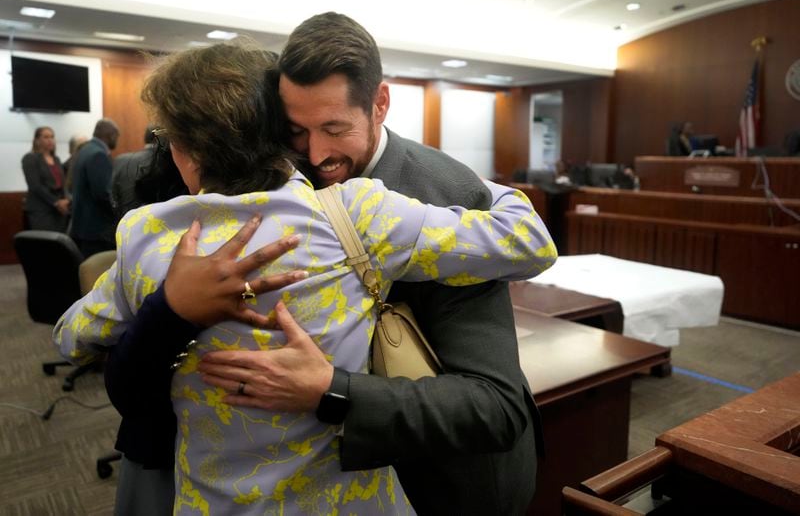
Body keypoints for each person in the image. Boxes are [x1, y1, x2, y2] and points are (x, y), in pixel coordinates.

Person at [54, 42, 557, 514]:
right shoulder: (357, 213)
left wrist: (165, 306)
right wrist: (482, 186)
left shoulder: (147, 236)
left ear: (184, 149)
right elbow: (531, 245)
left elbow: (71, 339)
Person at [69, 119, 120, 257]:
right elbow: (103, 193)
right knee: (98, 273)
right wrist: (120, 213)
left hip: (83, 225)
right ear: (110, 135)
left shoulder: (85, 149)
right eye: (117, 136)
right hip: (97, 229)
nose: (117, 141)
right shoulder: (98, 155)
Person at [21, 126, 70, 232]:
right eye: (46, 137)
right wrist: (56, 202)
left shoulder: (56, 159)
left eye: (52, 137)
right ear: (37, 140)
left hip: (60, 210)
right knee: (45, 243)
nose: (50, 140)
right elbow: (35, 186)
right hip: (41, 209)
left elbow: (62, 183)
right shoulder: (30, 158)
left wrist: (65, 200)